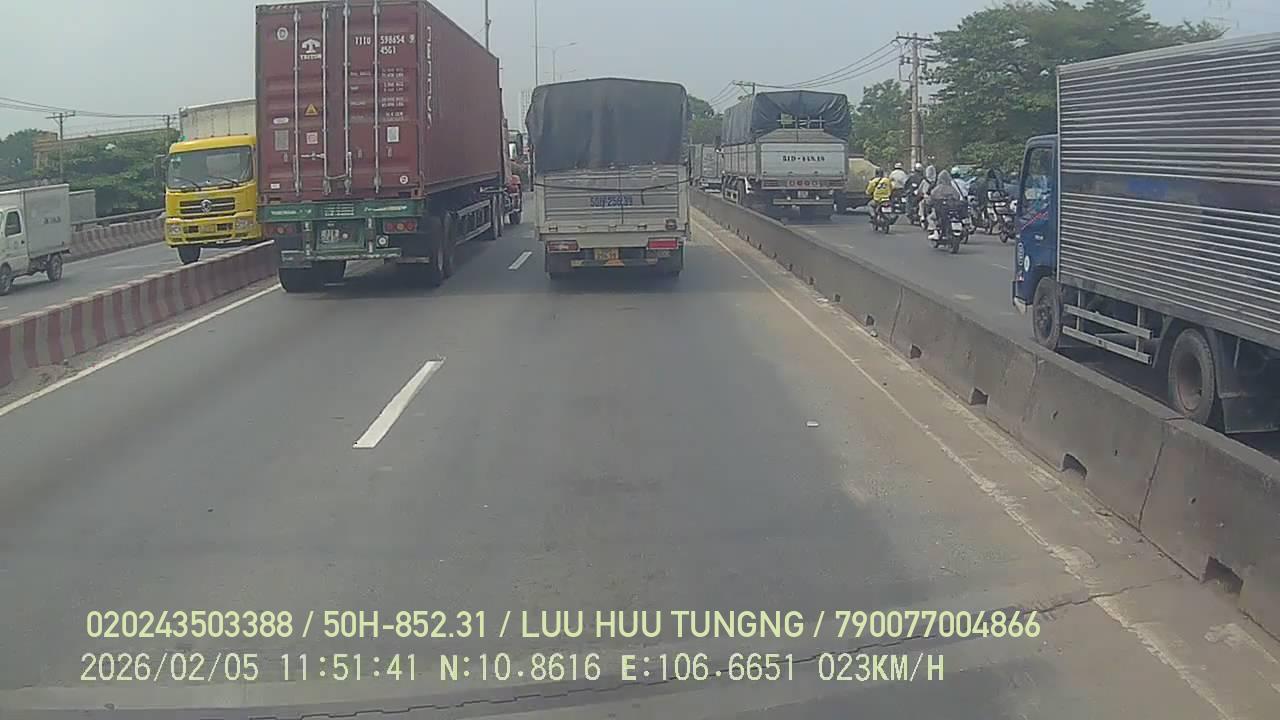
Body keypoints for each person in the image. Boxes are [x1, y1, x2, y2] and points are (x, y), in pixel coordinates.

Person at [928, 169, 965, 241]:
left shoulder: (937, 189)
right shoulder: (952, 188)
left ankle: (935, 232)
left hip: (941, 211)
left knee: (931, 218)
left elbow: (931, 198)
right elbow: (957, 196)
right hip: (952, 211)